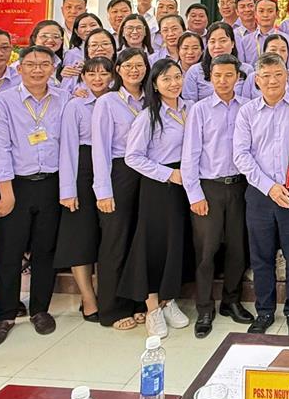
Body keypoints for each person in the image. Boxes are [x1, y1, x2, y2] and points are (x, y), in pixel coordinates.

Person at [0, 46, 67, 348]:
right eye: (31, 64)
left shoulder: (64, 99)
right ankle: (5, 314)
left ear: (53, 68)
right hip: (15, 185)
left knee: (46, 249)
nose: (37, 69)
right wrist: (5, 192)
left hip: (52, 184)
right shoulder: (2, 102)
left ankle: (40, 309)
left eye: (44, 64)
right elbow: (0, 148)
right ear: (19, 69)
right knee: (9, 250)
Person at [234, 52, 289, 336]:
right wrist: (269, 186)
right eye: (266, 76)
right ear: (257, 80)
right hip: (260, 194)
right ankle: (264, 311)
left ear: (287, 77)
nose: (272, 81)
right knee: (261, 257)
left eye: (278, 75)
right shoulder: (247, 112)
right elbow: (241, 156)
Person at [183, 53, 256, 338]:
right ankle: (204, 307)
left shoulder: (248, 107)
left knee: (237, 247)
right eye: (217, 75)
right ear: (210, 78)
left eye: (228, 75)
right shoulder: (200, 110)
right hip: (209, 187)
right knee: (206, 250)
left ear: (238, 77)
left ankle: (231, 301)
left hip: (239, 186)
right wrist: (194, 194)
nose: (223, 80)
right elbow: (190, 154)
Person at [121, 59, 192, 338]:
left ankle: (168, 300)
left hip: (187, 184)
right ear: (154, 83)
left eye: (177, 77)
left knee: (176, 244)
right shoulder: (148, 116)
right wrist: (168, 174)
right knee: (152, 245)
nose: (174, 83)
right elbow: (133, 157)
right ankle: (152, 308)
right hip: (159, 185)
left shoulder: (191, 109)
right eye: (166, 79)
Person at [91, 49, 150, 330]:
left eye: (139, 65)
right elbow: (100, 149)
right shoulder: (108, 102)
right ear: (118, 69)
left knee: (140, 241)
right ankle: (112, 308)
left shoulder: (152, 99)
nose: (134, 70)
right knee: (116, 240)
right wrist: (103, 190)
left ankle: (139, 301)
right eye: (128, 66)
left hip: (148, 173)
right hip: (119, 173)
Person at [56, 57, 115, 325]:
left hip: (112, 168)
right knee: (81, 235)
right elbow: (67, 148)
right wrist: (68, 189)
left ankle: (106, 292)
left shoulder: (117, 101)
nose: (98, 79)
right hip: (83, 170)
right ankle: (88, 297)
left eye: (104, 74)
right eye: (92, 74)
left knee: (107, 236)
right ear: (83, 77)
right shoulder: (76, 105)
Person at [184, 22, 248, 101]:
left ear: (232, 44)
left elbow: (251, 103)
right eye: (212, 41)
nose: (217, 46)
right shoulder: (195, 71)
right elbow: (189, 103)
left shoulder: (246, 70)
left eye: (223, 41)